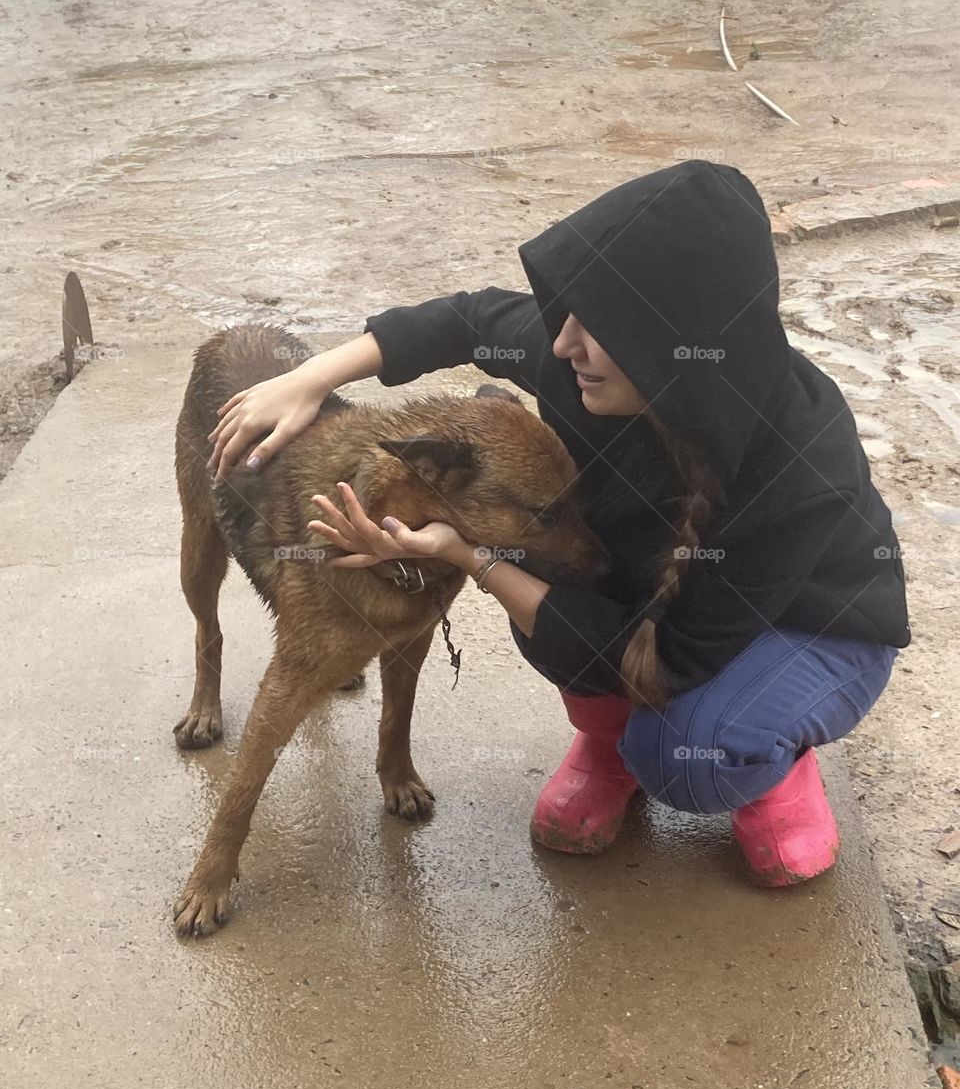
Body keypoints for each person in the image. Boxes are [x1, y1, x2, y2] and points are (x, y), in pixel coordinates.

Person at [208, 160, 910, 886]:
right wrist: (310, 378)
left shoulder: (800, 463)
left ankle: (774, 759)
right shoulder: (590, 367)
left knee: (686, 754)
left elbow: (672, 658)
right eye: (566, 311)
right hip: (669, 596)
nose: (565, 342)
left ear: (672, 342)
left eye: (596, 325)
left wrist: (474, 561)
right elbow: (467, 317)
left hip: (813, 625)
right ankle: (611, 743)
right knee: (544, 556)